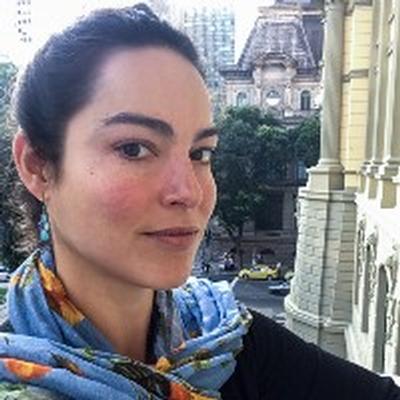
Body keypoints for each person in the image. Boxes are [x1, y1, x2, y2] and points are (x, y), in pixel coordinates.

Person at [0, 4, 399, 399]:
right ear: (37, 167)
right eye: (134, 148)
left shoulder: (228, 342)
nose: (189, 191)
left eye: (200, 153)